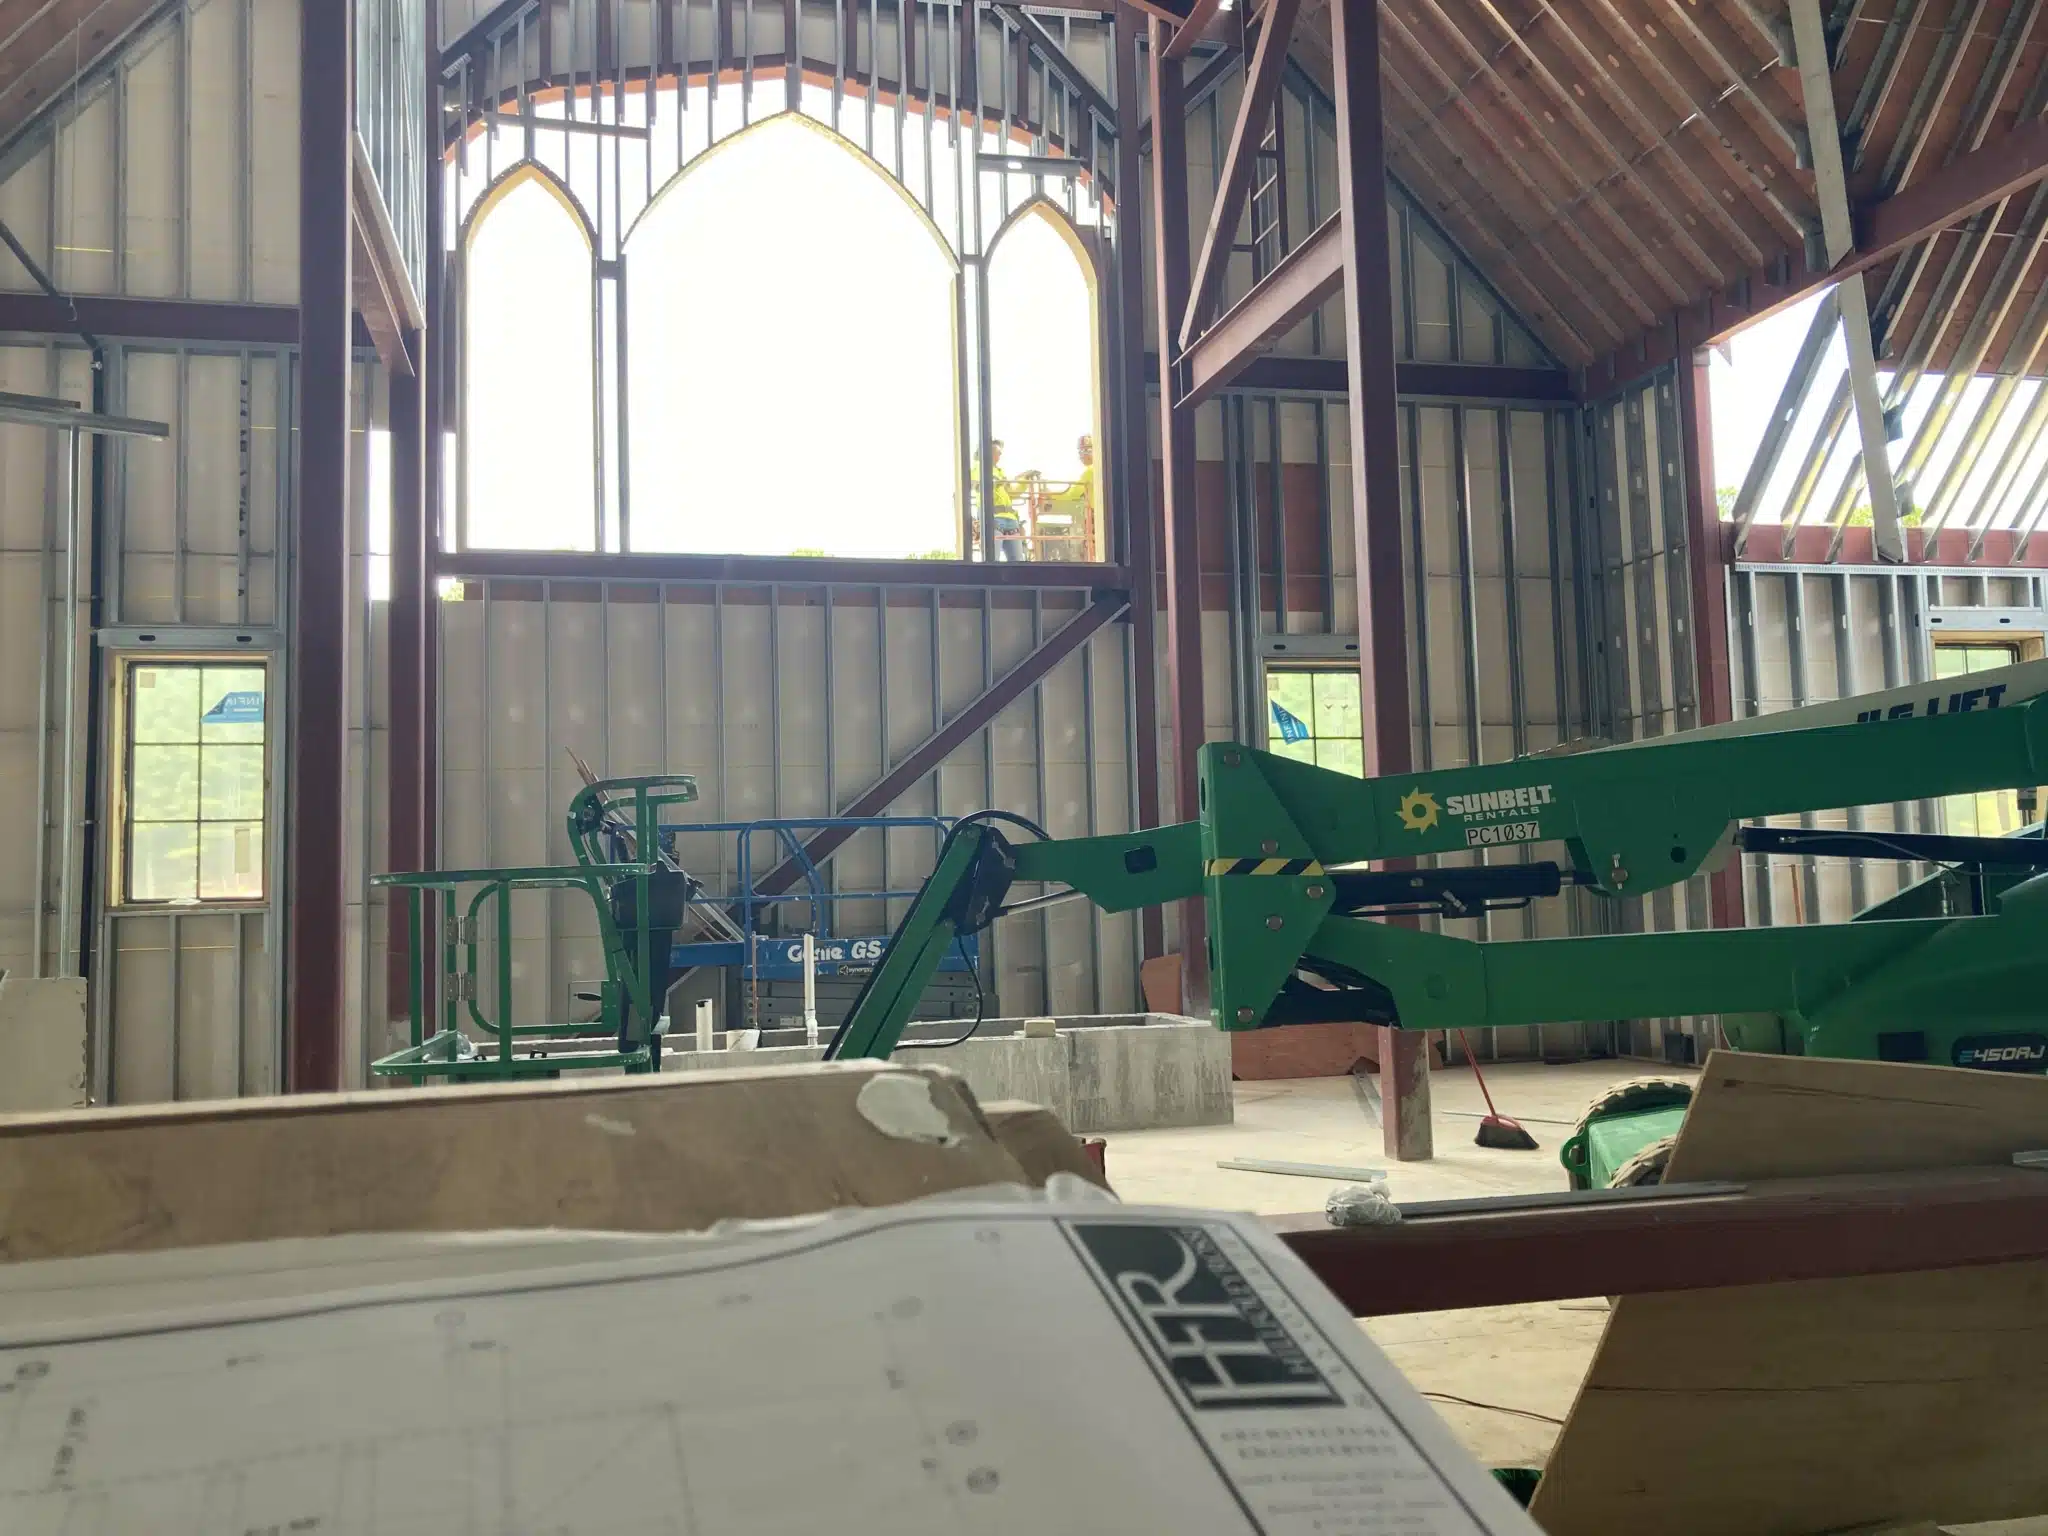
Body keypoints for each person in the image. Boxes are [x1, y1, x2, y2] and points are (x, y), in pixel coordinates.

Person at [1039, 434, 1095, 559]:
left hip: (1096, 516)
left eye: (1087, 450)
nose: (1082, 455)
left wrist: (1050, 495)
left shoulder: (1090, 471)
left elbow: (1072, 494)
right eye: (1080, 451)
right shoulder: (1099, 468)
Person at [972, 440, 1025, 562]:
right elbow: (978, 486)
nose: (1000, 455)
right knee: (992, 560)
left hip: (1011, 520)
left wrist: (1024, 481)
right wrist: (995, 482)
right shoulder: (979, 467)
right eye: (998, 452)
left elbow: (1011, 492)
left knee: (1018, 562)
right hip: (993, 518)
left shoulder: (1000, 472)